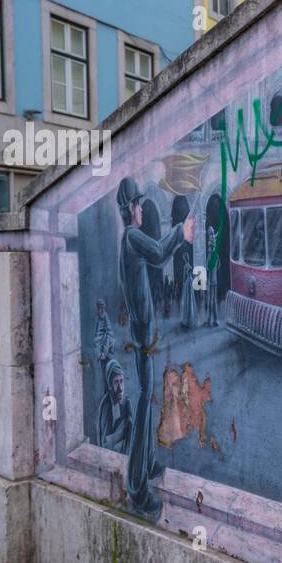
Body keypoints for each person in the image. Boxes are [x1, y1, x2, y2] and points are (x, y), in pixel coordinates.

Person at [117, 176, 194, 517]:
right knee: (146, 404)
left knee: (148, 398)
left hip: (142, 329)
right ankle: (136, 487)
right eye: (137, 204)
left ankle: (146, 466)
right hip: (143, 330)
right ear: (130, 208)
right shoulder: (133, 238)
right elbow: (161, 254)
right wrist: (180, 231)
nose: (140, 210)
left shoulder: (128, 239)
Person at [95, 359, 132, 451]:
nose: (120, 388)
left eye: (121, 381)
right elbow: (104, 445)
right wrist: (122, 432)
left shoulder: (126, 402)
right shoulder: (106, 406)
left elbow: (132, 433)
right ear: (109, 385)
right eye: (116, 382)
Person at [93, 298, 114, 385]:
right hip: (101, 352)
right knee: (104, 375)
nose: (99, 310)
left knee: (107, 375)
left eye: (101, 308)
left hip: (105, 353)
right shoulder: (99, 319)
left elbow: (108, 336)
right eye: (99, 308)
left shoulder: (105, 319)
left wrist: (103, 353)